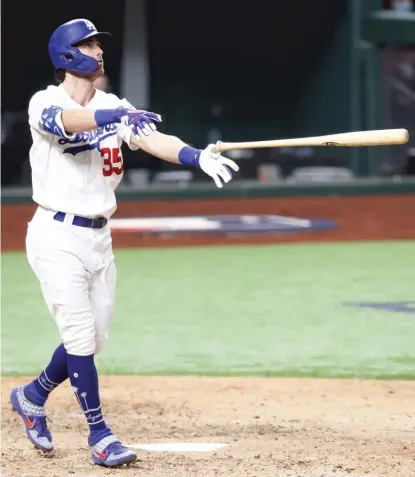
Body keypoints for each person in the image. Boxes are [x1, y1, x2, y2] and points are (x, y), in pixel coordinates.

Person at [10, 18, 239, 469]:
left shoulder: (115, 104)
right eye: (89, 44)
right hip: (56, 235)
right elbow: (67, 122)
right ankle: (100, 435)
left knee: (91, 341)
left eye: (98, 44)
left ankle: (31, 396)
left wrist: (195, 155)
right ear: (67, 54)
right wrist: (115, 116)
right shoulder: (46, 102)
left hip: (99, 237)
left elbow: (153, 140)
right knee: (78, 336)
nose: (98, 51)